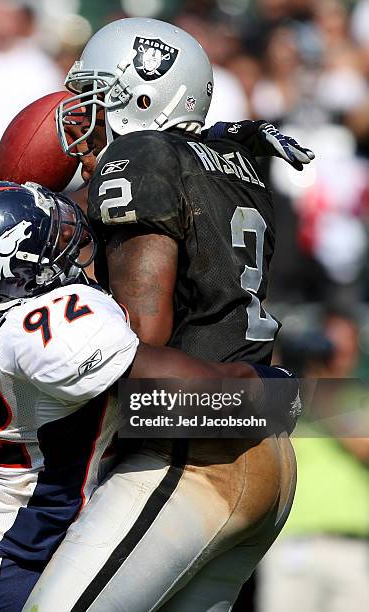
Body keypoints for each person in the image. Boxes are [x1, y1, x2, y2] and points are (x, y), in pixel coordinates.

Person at [24, 18, 309, 611]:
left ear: (145, 96)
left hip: (189, 452)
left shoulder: (139, 154)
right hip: (262, 450)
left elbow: (139, 338)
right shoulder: (237, 158)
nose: (84, 118)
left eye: (98, 98)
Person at [0, 180, 297, 611]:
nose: (69, 232)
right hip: (18, 541)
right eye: (52, 238)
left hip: (17, 508)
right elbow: (197, 388)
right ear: (21, 270)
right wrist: (275, 387)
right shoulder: (53, 337)